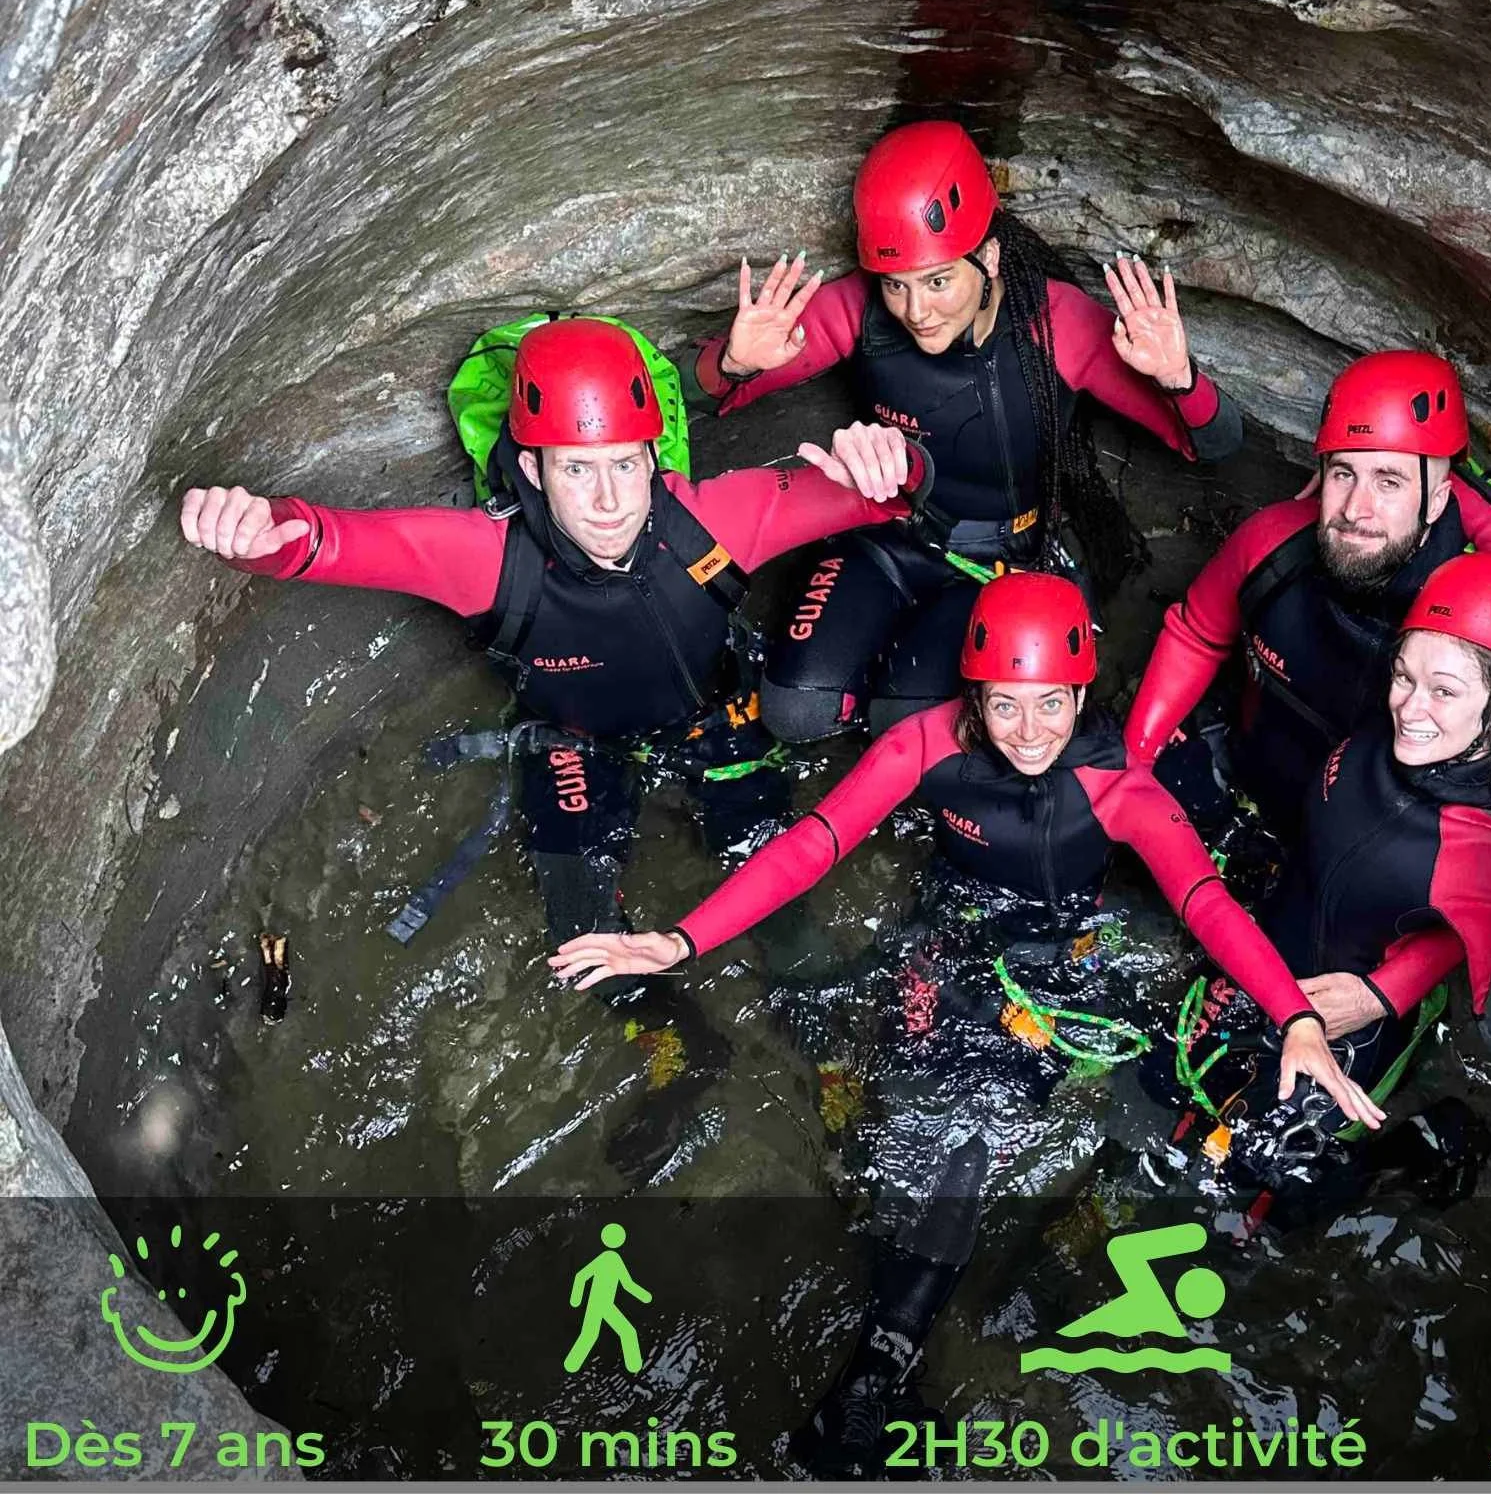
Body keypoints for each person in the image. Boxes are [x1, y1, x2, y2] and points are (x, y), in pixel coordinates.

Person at [547, 573, 1377, 1474]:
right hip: (956, 930)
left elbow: (1205, 901)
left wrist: (1295, 1016)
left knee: (989, 1122)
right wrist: (678, 941)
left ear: (1082, 695)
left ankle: (886, 1361)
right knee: (895, 1121)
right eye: (1005, 706)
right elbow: (817, 841)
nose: (1029, 732)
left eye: (1051, 704)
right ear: (974, 695)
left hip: (1069, 954)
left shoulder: (1118, 788)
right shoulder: (924, 745)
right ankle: (887, 1357)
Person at [179, 316, 931, 953]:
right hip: (573, 744)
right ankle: (675, 1049)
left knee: (779, 907)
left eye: (624, 466)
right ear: (534, 471)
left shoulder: (715, 520)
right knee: (585, 945)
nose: (609, 502)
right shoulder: (487, 560)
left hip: (714, 719)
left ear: (652, 457)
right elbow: (332, 541)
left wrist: (894, 462)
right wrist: (255, 534)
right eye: (576, 470)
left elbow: (897, 498)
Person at [692, 119, 1247, 742]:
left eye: (938, 281)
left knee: (905, 726)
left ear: (989, 256)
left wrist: (1179, 379)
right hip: (886, 535)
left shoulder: (1055, 326)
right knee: (796, 714)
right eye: (895, 285)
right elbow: (695, 397)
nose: (916, 311)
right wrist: (734, 361)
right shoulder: (858, 310)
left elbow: (1215, 443)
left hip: (999, 559)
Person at [1162, 554, 1491, 1212]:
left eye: (1444, 691)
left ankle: (1413, 1155)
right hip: (1272, 952)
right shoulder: (1412, 725)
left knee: (1261, 1194)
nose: (1409, 707)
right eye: (1404, 675)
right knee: (1166, 1088)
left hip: (1349, 1023)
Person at [1125, 348, 1491, 845]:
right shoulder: (1275, 544)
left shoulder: (1478, 624)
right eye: (1343, 473)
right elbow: (1196, 634)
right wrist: (1134, 765)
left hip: (1358, 845)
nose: (1356, 509)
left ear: (1438, 501)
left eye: (1389, 481)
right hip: (1249, 773)